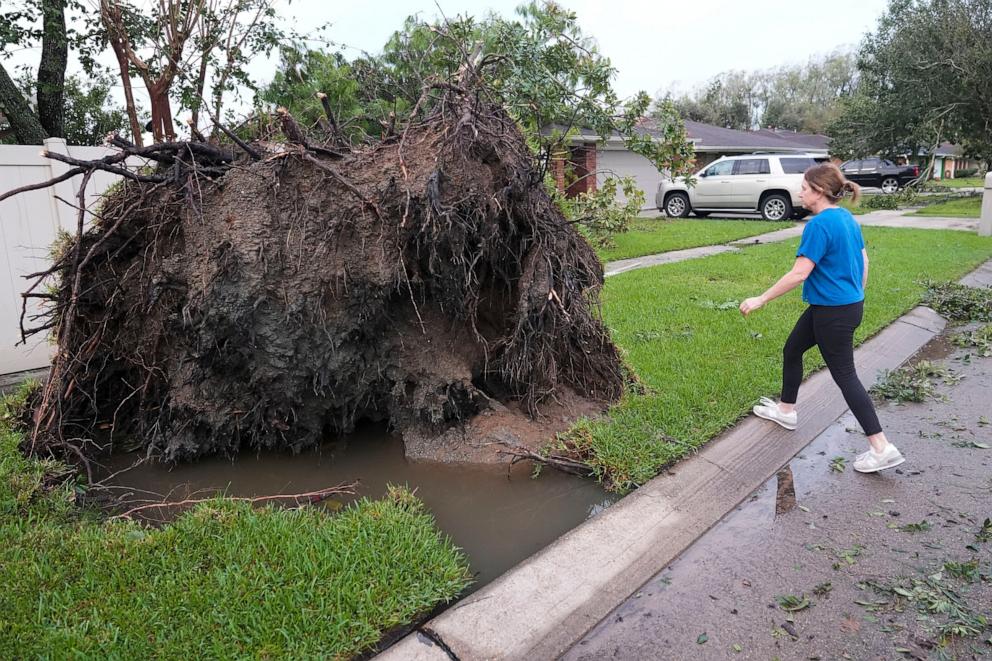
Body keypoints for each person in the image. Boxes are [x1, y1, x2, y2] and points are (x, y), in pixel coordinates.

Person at [738, 163, 904, 473]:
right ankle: (786, 410)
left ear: (819, 191)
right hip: (840, 307)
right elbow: (864, 260)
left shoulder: (819, 225)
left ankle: (881, 446)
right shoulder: (846, 218)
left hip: (833, 313)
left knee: (845, 375)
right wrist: (855, 293)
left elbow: (800, 273)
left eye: (804, 187)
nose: (799, 191)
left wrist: (760, 298)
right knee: (793, 349)